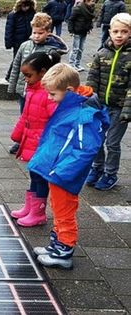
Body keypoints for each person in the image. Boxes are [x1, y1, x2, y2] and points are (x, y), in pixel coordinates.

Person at [29, 63, 109, 269]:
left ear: (70, 91)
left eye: (53, 94)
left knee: (64, 211)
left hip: (64, 173)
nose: (49, 98)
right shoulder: (72, 105)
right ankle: (57, 244)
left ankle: (63, 250)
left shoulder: (85, 114)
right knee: (58, 208)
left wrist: (61, 171)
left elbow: (86, 149)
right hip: (59, 170)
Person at [10, 51, 61, 227]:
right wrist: (17, 134)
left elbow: (56, 121)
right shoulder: (32, 90)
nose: (25, 79)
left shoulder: (49, 94)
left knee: (40, 178)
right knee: (34, 175)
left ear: (42, 72)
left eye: (28, 75)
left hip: (42, 144)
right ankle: (30, 208)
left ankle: (38, 212)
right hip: (32, 141)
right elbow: (25, 116)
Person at [7, 12, 68, 154]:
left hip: (41, 91)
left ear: (48, 32)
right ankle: (22, 140)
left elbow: (55, 72)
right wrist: (12, 85)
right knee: (24, 115)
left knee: (38, 118)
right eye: (34, 32)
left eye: (40, 33)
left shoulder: (51, 50)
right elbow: (16, 66)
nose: (36, 36)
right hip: (24, 89)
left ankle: (36, 141)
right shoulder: (25, 45)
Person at [85, 13, 131, 190]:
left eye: (124, 31)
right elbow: (92, 78)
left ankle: (111, 173)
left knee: (112, 143)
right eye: (116, 31)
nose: (119, 35)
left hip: (120, 108)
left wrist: (127, 110)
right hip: (100, 106)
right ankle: (97, 168)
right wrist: (89, 99)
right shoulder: (102, 53)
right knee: (96, 139)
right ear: (110, 32)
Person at [4, 0, 37, 81]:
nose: (25, 8)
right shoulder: (13, 14)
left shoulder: (32, 14)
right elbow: (9, 29)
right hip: (17, 41)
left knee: (28, 58)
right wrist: (8, 42)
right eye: (23, 6)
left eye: (27, 6)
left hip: (29, 40)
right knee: (16, 59)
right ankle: (9, 75)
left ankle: (22, 76)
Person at [67, 0, 96, 72]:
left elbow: (90, 20)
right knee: (75, 49)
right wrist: (71, 30)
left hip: (84, 31)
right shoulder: (78, 8)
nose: (93, 3)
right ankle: (71, 64)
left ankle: (77, 64)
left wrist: (90, 27)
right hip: (77, 31)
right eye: (92, 1)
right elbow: (71, 20)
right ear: (86, 1)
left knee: (81, 49)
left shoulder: (91, 9)